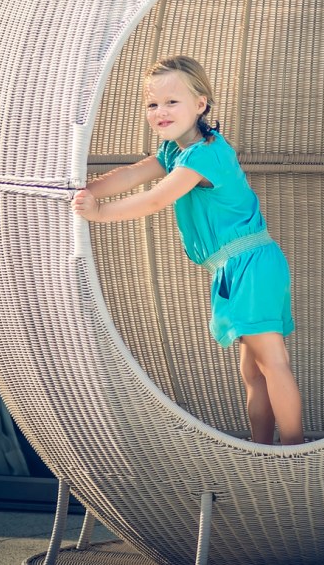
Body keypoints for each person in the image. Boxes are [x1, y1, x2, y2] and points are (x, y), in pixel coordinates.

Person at [73, 55, 304, 446]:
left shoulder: (205, 154)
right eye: (152, 104)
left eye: (172, 102)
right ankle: (263, 447)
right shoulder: (175, 152)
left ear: (201, 104)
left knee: (272, 362)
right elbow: (131, 174)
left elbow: (154, 201)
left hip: (250, 264)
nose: (160, 112)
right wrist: (85, 192)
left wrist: (99, 214)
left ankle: (295, 452)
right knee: (253, 371)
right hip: (238, 267)